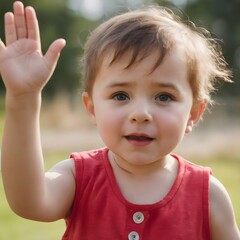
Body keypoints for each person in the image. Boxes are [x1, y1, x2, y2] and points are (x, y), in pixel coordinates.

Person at [0, 1, 239, 239]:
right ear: (92, 108)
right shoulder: (78, 177)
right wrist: (23, 99)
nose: (141, 113)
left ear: (193, 114)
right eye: (120, 95)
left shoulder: (209, 196)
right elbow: (29, 201)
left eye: (164, 96)